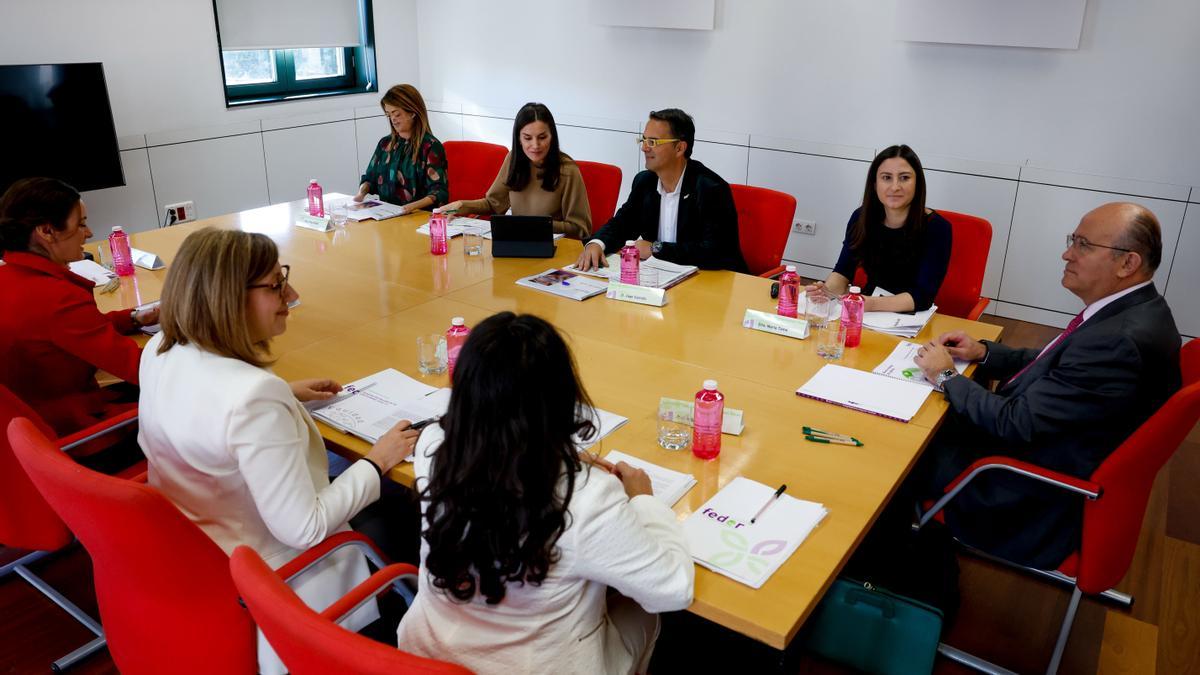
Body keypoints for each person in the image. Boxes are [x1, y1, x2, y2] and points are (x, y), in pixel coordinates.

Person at [136, 227, 419, 675]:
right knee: (406, 508)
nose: (292, 293)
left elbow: (206, 407)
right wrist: (378, 460)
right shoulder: (253, 396)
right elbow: (303, 529)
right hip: (280, 577)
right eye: (274, 285)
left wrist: (286, 394)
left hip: (200, 550)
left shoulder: (159, 348)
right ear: (229, 298)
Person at [397, 312, 694, 674]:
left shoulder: (433, 449)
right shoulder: (586, 497)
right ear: (560, 398)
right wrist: (645, 501)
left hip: (425, 656)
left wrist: (554, 453)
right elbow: (673, 590)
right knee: (645, 613)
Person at [912, 202, 1181, 568]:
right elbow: (1053, 366)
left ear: (1127, 263)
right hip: (1044, 450)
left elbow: (1014, 422)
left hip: (1019, 492)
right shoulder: (1137, 311)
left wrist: (946, 376)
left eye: (1083, 244)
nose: (1067, 253)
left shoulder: (1117, 342)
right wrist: (983, 353)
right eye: (1073, 239)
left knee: (900, 444)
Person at [0, 177, 156, 469]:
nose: (89, 232)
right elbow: (142, 369)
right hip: (81, 441)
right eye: (81, 223)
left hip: (32, 438)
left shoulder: (10, 279)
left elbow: (67, 331)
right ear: (47, 231)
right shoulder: (56, 298)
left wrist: (133, 317)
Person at [574, 108, 746, 273]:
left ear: (679, 148)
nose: (644, 148)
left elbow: (716, 252)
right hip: (661, 279)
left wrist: (655, 248)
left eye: (653, 142)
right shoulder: (645, 182)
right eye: (643, 140)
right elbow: (622, 223)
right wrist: (597, 243)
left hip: (710, 284)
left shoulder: (710, 189)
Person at [809, 144, 951, 312]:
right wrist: (826, 292)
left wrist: (870, 303)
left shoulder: (937, 228)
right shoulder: (861, 217)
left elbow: (922, 297)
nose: (895, 186)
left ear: (917, 183)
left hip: (911, 317)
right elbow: (843, 271)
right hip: (869, 312)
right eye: (886, 177)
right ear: (875, 184)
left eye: (904, 178)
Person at [436, 103, 592, 239]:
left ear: (552, 136)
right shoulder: (514, 159)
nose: (535, 145)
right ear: (518, 138)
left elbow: (580, 228)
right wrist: (462, 205)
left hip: (552, 249)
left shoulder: (567, 170)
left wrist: (535, 226)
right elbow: (494, 203)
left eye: (542, 137)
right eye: (527, 138)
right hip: (517, 242)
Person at [355, 84, 449, 213]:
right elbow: (370, 179)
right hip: (387, 216)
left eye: (397, 114)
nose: (393, 119)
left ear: (413, 112)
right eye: (389, 115)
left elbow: (439, 192)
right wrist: (361, 194)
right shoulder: (385, 144)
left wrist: (411, 207)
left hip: (418, 217)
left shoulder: (431, 146)